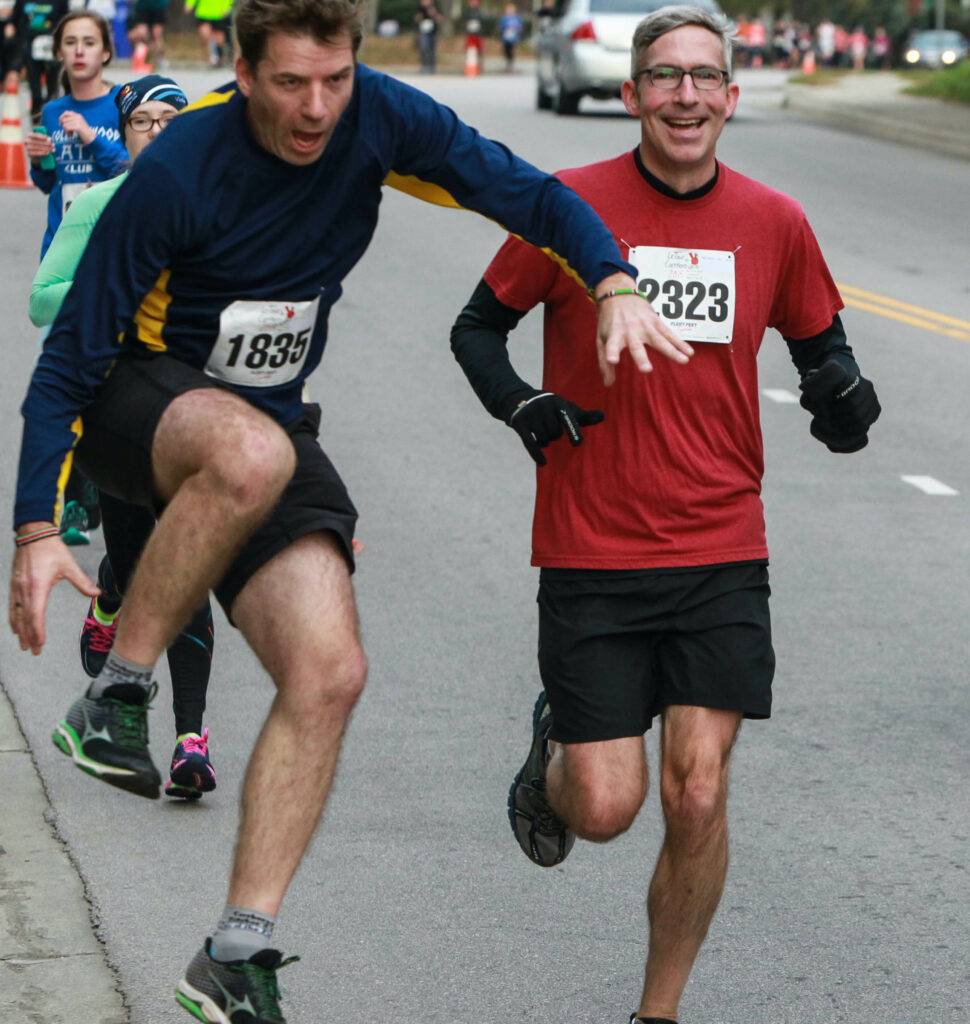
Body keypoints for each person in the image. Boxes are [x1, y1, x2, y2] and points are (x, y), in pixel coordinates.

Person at [9, 0, 691, 1016]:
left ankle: (236, 949)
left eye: (334, 79)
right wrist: (32, 529)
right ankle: (116, 693)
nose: (317, 108)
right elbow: (68, 361)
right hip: (141, 402)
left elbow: (524, 192)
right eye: (290, 83)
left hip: (267, 437)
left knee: (330, 670)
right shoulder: (179, 168)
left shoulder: (381, 117)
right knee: (248, 448)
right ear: (241, 71)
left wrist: (610, 276)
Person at [450, 7, 881, 1021]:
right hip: (590, 548)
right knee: (604, 808)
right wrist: (519, 401)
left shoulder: (774, 220)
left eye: (703, 77)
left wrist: (842, 397)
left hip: (722, 547)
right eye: (663, 76)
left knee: (696, 789)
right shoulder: (567, 208)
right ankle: (554, 746)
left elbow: (823, 349)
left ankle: (658, 1011)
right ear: (631, 93)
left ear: (730, 98)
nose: (684, 93)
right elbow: (476, 330)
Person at [28, 73, 216, 801]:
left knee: (187, 573)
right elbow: (44, 298)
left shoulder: (211, 212)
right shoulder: (101, 203)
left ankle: (190, 740)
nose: (160, 132)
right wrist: (113, 292)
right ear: (125, 130)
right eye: (145, 120)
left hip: (195, 415)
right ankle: (112, 594)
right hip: (117, 417)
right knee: (140, 571)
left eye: (176, 120)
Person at [25, 8, 127, 546]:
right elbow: (49, 186)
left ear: (106, 51)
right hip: (62, 259)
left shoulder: (122, 106)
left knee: (108, 385)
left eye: (90, 42)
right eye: (71, 42)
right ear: (60, 52)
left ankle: (101, 482)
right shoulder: (53, 109)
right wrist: (39, 160)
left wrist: (93, 137)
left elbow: (138, 171)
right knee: (65, 380)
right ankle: (69, 503)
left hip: (113, 260)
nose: (81, 51)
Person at [12, 0, 68, 120]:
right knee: (34, 88)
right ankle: (36, 117)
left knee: (53, 87)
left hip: (51, 48)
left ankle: (51, 117)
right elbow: (15, 19)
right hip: (30, 48)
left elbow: (65, 19)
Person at [185, 0, 233, 67]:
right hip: (203, 13)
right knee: (205, 35)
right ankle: (211, 57)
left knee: (219, 39)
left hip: (218, 14)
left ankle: (220, 57)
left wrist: (226, 7)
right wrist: (190, 4)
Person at [129, 0, 169, 69]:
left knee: (157, 35)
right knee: (141, 33)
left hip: (159, 6)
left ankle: (160, 58)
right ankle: (146, 57)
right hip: (143, 6)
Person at [414, 0, 441, 73]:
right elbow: (416, 19)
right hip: (423, 32)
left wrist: (434, 14)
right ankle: (424, 66)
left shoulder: (435, 7)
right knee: (424, 48)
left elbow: (439, 19)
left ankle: (432, 66)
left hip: (433, 32)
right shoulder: (419, 9)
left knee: (432, 50)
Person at [498, 1, 523, 71]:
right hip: (506, 38)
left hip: (513, 38)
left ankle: (511, 64)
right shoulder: (504, 18)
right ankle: (507, 63)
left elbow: (520, 27)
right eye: (508, 9)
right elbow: (501, 27)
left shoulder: (517, 18)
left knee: (512, 51)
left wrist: (517, 32)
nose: (510, 11)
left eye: (511, 9)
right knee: (506, 50)